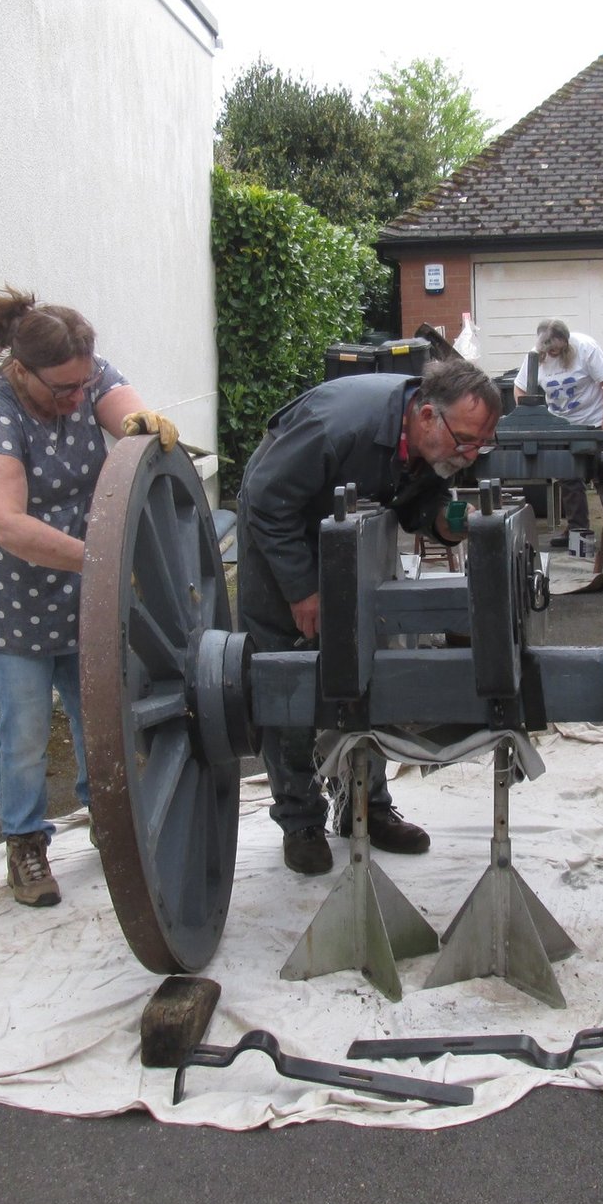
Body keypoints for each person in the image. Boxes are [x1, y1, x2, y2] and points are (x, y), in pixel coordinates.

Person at [0, 287, 177, 907]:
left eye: (84, 385)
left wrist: (139, 425)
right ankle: (25, 843)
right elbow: (7, 524)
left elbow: (125, 409)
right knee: (24, 723)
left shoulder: (83, 376)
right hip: (8, 590)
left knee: (98, 709)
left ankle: (108, 818)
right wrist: (102, 559)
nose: (77, 399)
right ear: (21, 370)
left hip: (83, 580)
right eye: (63, 390)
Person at [238, 357, 503, 874]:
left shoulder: (424, 435)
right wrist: (301, 589)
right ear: (426, 416)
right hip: (281, 534)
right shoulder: (338, 426)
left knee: (367, 663)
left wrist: (447, 522)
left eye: (481, 446)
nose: (471, 456)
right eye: (466, 441)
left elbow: (415, 496)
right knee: (285, 676)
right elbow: (266, 500)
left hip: (346, 539)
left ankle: (365, 806)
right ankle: (300, 820)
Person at [513, 319, 603, 548]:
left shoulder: (586, 348)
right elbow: (519, 387)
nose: (553, 353)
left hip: (592, 421)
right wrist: (527, 416)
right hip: (559, 426)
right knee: (569, 478)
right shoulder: (535, 356)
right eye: (549, 350)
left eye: (557, 350)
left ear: (566, 342)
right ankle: (578, 531)